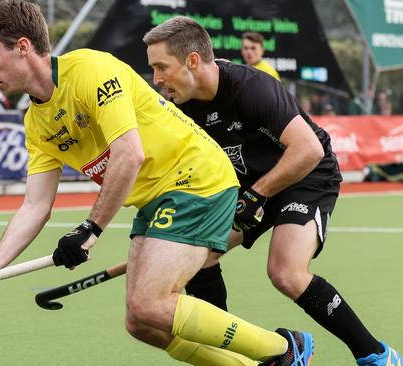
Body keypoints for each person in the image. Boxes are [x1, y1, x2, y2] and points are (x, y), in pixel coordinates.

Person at [0, 2, 314, 366]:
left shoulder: (90, 69)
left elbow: (129, 154)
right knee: (141, 322)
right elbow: (34, 206)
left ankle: (284, 350)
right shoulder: (36, 124)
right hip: (157, 200)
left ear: (23, 47)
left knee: (150, 304)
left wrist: (89, 230)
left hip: (196, 178)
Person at [143, 15, 402, 366]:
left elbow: (308, 149)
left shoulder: (250, 86)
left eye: (162, 67)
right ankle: (234, 357)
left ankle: (376, 355)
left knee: (285, 272)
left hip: (306, 173)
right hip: (252, 184)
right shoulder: (180, 108)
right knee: (198, 259)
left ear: (192, 60)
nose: (157, 80)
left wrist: (256, 195)